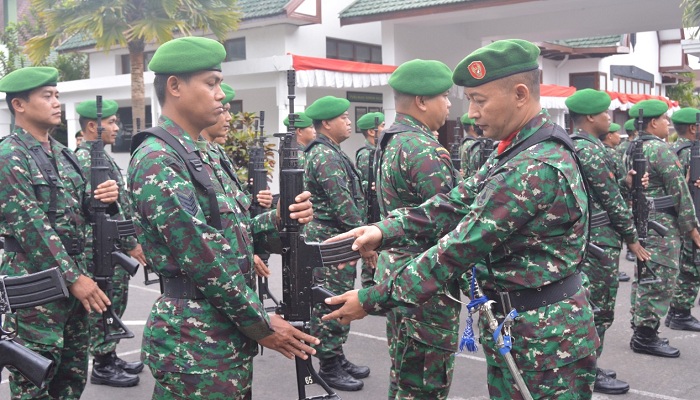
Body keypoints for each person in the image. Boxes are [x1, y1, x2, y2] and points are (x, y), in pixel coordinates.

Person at [323, 39, 599, 399]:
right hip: (522, 330)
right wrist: (383, 229)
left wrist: (371, 299)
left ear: (519, 94)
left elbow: (456, 249)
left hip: (546, 342)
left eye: (479, 100)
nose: (470, 113)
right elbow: (454, 202)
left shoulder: (532, 166)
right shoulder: (517, 150)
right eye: (468, 100)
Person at [127, 36, 318, 399]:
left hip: (222, 334)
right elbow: (205, 258)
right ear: (175, 87)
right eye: (211, 83)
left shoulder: (206, 154)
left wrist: (280, 219)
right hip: (193, 343)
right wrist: (261, 325)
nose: (220, 94)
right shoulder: (158, 158)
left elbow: (238, 233)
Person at [0, 66, 119, 399]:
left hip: (73, 288)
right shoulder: (8, 156)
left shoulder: (66, 157)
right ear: (19, 105)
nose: (56, 103)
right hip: (35, 290)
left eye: (57, 95)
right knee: (34, 385)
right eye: (47, 96)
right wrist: (74, 278)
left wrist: (105, 199)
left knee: (70, 379)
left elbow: (83, 211)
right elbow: (31, 226)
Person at [373, 58, 462, 399]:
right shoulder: (424, 149)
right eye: (444, 96)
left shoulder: (391, 140)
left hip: (396, 268)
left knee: (404, 372)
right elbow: (448, 221)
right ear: (423, 101)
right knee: (425, 382)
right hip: (424, 280)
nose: (450, 104)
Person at [565, 89, 651, 395]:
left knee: (595, 308)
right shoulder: (588, 150)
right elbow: (611, 201)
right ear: (590, 117)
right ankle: (587, 372)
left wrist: (627, 183)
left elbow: (612, 191)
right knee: (598, 309)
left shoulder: (588, 147)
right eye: (604, 114)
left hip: (596, 238)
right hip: (598, 240)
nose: (609, 119)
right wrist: (632, 238)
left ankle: (590, 365)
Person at [74, 98, 148, 388]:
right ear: (93, 125)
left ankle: (110, 355)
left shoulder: (100, 157)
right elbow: (107, 209)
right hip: (101, 247)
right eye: (113, 122)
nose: (117, 127)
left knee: (114, 302)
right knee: (105, 303)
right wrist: (131, 244)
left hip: (111, 243)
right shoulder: (87, 160)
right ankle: (103, 364)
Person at [623, 99, 700, 358]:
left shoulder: (631, 145)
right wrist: (691, 228)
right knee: (661, 278)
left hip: (643, 222)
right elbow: (678, 191)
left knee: (646, 276)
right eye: (665, 120)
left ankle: (641, 329)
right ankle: (645, 336)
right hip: (661, 225)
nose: (668, 124)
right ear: (653, 122)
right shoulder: (659, 149)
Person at [302, 95, 368, 391]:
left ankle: (336, 355)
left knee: (339, 297)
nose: (348, 121)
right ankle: (328, 365)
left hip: (334, 238)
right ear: (327, 123)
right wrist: (364, 239)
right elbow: (343, 204)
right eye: (343, 117)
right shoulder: (325, 155)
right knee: (331, 301)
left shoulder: (331, 151)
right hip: (330, 240)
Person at [665, 107, 700, 331]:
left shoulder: (673, 150)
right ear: (693, 128)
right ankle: (680, 312)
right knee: (692, 266)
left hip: (678, 217)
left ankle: (677, 312)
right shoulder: (691, 153)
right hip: (692, 215)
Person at [354, 111, 385, 288]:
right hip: (369, 207)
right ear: (372, 132)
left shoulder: (377, 151)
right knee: (371, 248)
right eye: (381, 126)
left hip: (376, 206)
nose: (384, 128)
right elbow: (362, 183)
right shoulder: (366, 154)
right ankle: (368, 285)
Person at [600, 122, 632, 282]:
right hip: (613, 205)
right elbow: (621, 178)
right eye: (616, 133)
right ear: (609, 135)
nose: (619, 136)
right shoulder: (610, 153)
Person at [619, 118, 639, 263]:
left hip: (625, 183)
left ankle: (628, 249)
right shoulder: (636, 146)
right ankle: (631, 248)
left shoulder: (623, 147)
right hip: (630, 184)